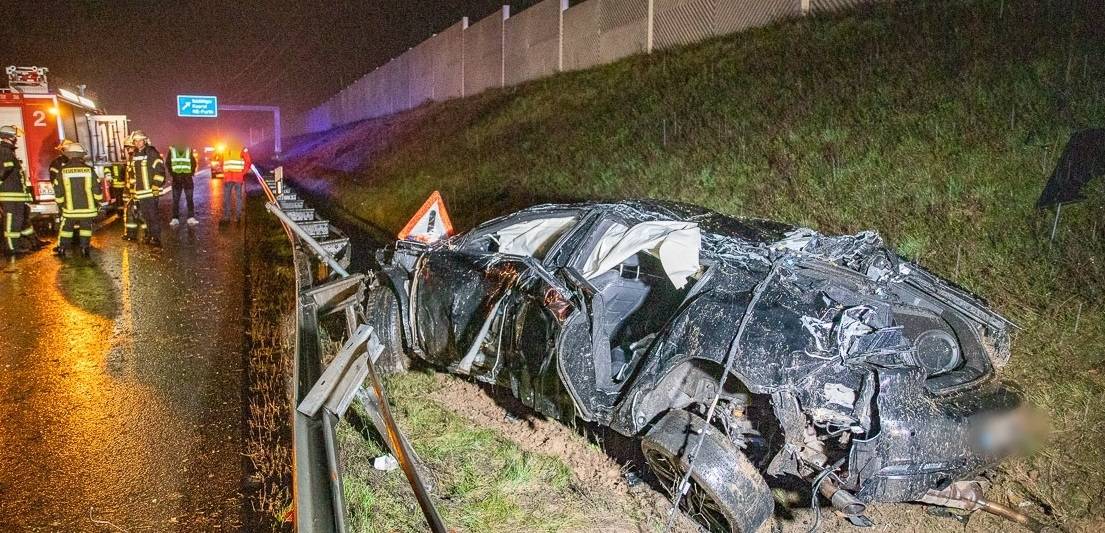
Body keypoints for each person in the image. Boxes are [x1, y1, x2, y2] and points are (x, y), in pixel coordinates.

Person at [53, 143, 103, 258]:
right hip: (87, 208)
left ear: (69, 156)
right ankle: (84, 249)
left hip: (69, 209)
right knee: (85, 228)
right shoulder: (89, 170)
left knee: (67, 228)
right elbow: (96, 188)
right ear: (81, 156)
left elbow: (58, 189)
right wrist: (98, 201)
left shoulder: (63, 170)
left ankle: (62, 249)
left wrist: (60, 204)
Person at [0, 125, 36, 256]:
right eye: (15, 136)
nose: (16, 138)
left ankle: (15, 246)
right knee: (11, 222)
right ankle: (11, 249)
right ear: (9, 137)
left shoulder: (7, 150)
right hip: (9, 194)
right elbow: (5, 170)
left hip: (15, 194)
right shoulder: (4, 151)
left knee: (17, 220)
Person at [126, 130, 166, 246]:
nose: (138, 143)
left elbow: (160, 169)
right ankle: (149, 235)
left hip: (151, 190)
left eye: (140, 140)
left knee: (153, 215)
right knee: (145, 216)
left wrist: (156, 185)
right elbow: (132, 174)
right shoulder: (134, 155)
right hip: (140, 192)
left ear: (145, 140)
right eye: (136, 141)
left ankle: (156, 238)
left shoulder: (151, 152)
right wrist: (132, 190)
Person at [167, 143, 198, 227]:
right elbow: (168, 163)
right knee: (176, 200)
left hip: (187, 179)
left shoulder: (188, 149)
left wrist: (190, 172)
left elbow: (193, 163)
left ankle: (190, 217)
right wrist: (173, 173)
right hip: (177, 179)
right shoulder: (172, 150)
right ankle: (175, 218)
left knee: (189, 199)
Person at [221, 147, 250, 223]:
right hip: (228, 177)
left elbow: (248, 161)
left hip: (236, 177)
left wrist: (242, 172)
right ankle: (228, 217)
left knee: (237, 197)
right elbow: (222, 162)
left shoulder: (242, 147)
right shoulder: (226, 148)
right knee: (227, 198)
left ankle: (237, 217)